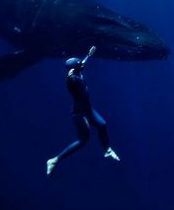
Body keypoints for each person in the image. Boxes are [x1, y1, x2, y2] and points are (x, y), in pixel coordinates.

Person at [46, 46, 120, 176]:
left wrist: (88, 55)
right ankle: (54, 160)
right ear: (74, 69)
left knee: (102, 125)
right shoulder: (72, 80)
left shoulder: (78, 70)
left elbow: (83, 63)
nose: (82, 65)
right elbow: (73, 77)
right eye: (79, 65)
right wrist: (85, 119)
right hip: (80, 113)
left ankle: (107, 150)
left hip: (88, 109)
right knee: (83, 141)